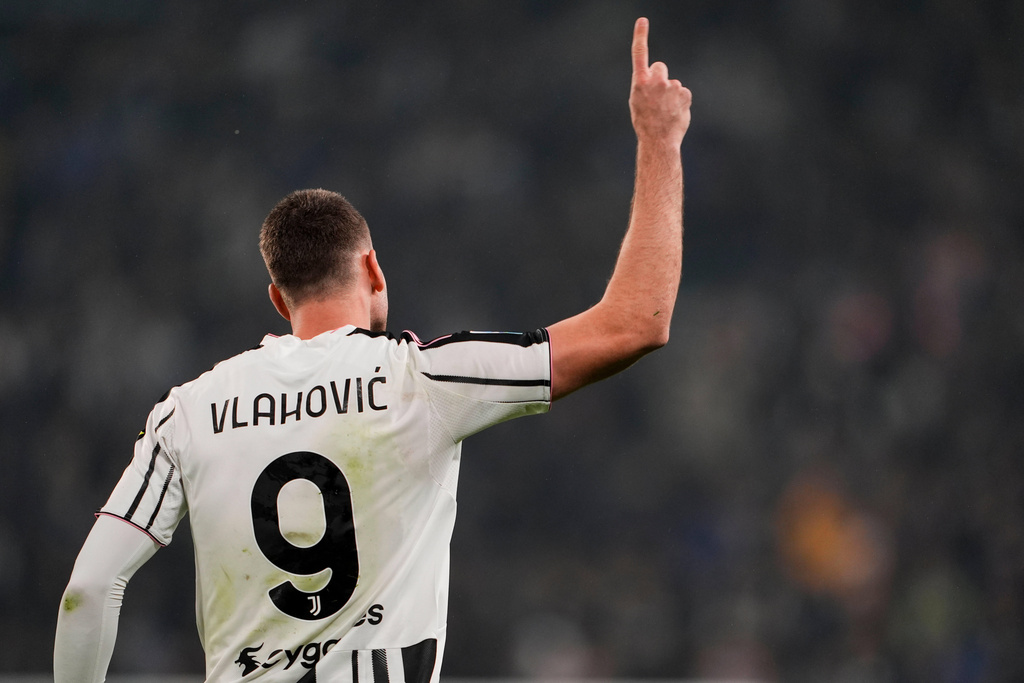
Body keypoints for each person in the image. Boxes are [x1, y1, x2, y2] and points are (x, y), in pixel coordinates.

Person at [54, 17, 691, 683]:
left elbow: (87, 590)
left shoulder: (186, 412)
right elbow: (635, 324)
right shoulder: (423, 379)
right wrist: (660, 142)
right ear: (375, 270)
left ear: (278, 299)